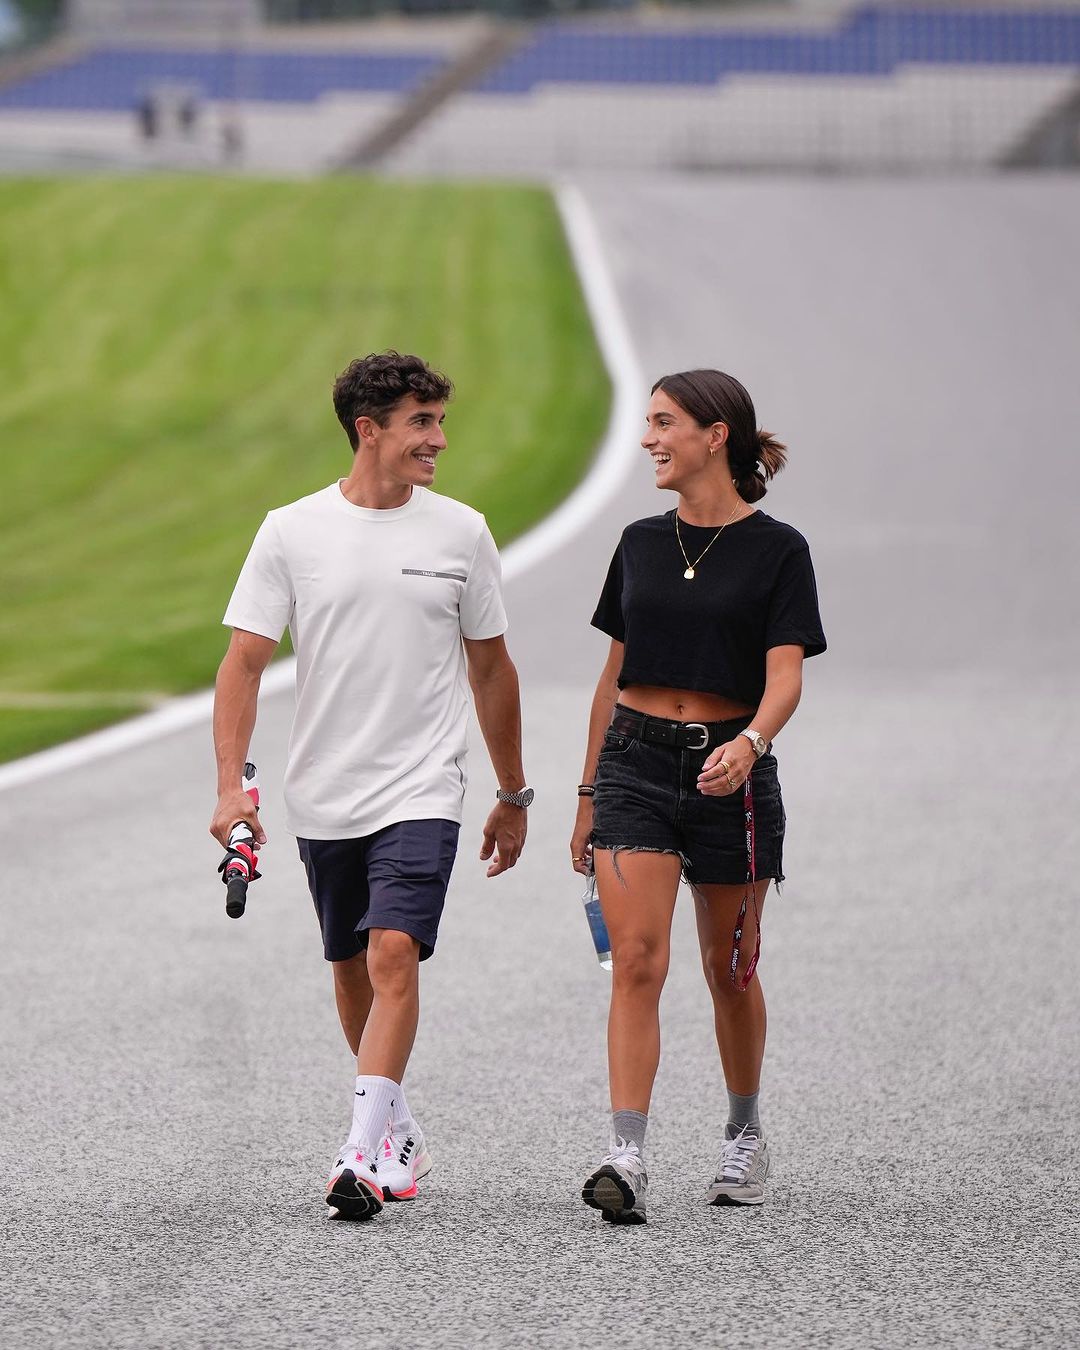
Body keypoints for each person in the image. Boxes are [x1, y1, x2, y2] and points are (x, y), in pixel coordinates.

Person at [210, 351, 532, 1222]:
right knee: (349, 963)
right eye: (421, 422)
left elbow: (493, 669)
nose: (439, 439)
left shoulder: (462, 533)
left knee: (394, 953)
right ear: (369, 431)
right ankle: (395, 1126)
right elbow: (242, 665)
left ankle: (359, 1154)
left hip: (423, 784)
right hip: (325, 789)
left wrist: (513, 790)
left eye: (438, 420)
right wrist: (229, 788)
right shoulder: (291, 531)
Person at [570, 368, 825, 1224]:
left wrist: (749, 746)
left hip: (733, 772)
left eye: (663, 422)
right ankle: (627, 1155)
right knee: (636, 962)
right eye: (648, 423)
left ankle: (743, 1134)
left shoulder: (779, 550)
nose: (648, 439)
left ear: (716, 435)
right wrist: (586, 791)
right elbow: (612, 676)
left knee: (729, 969)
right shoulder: (641, 542)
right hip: (634, 766)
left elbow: (784, 678)